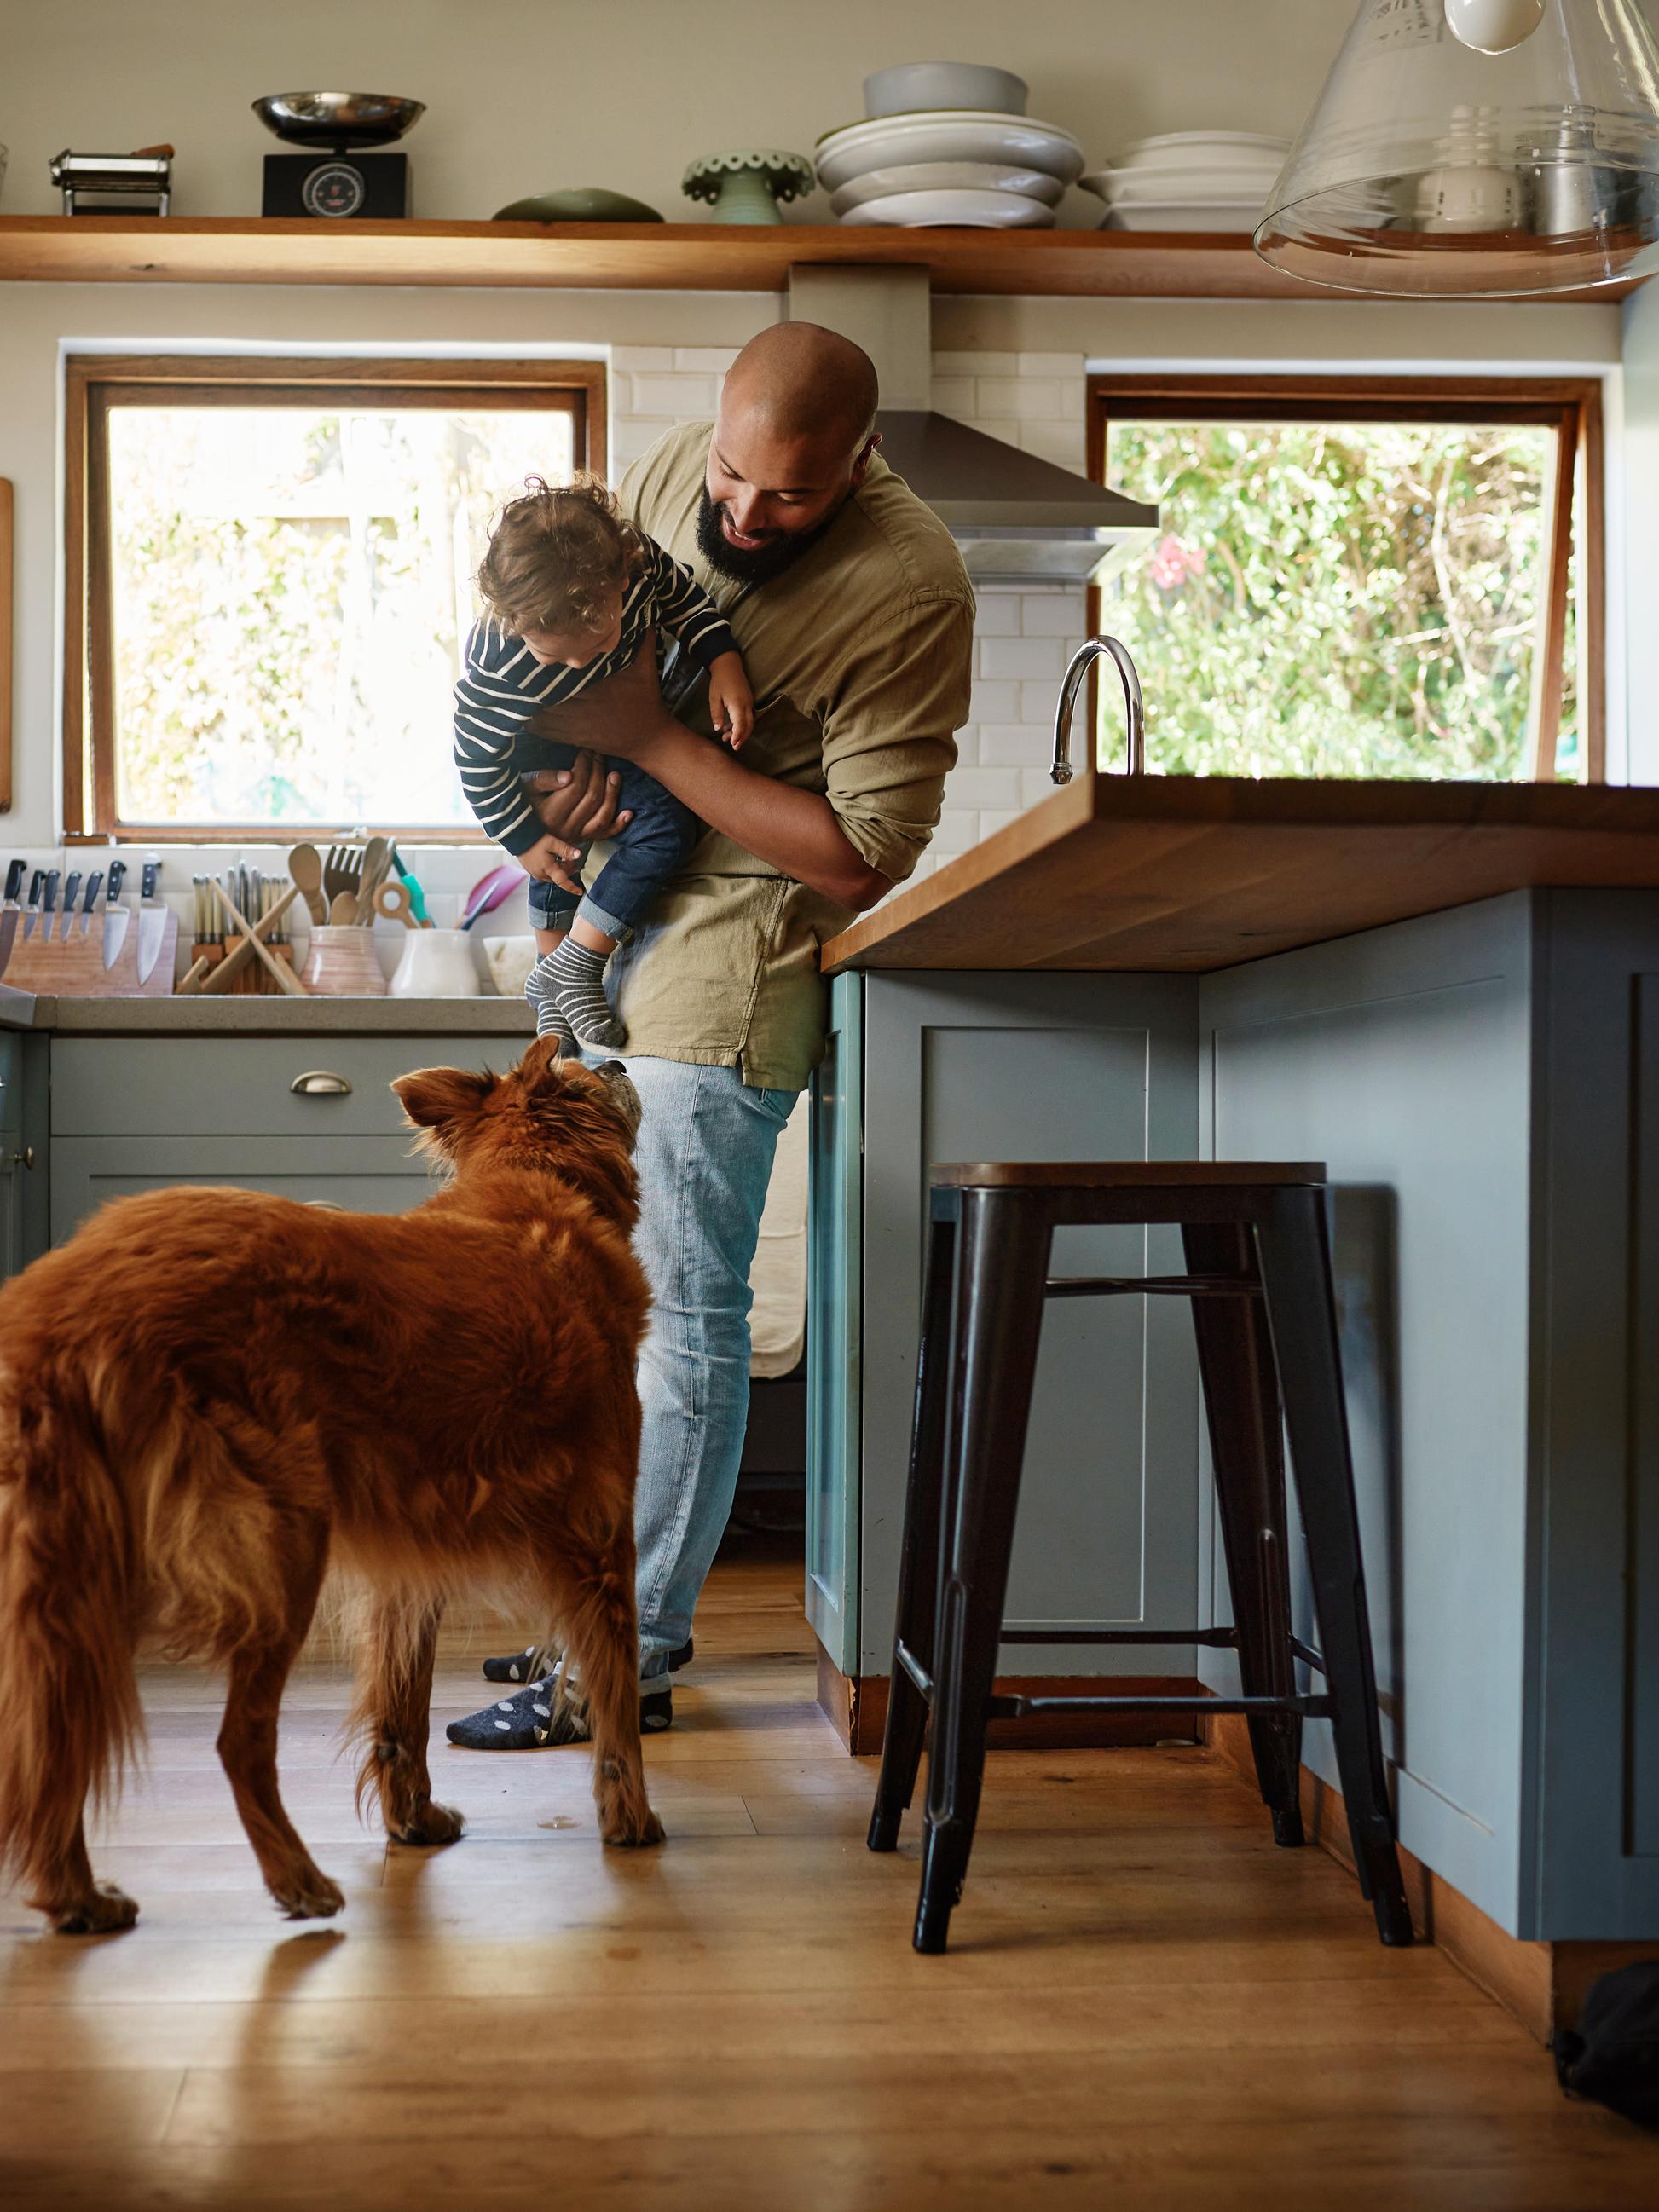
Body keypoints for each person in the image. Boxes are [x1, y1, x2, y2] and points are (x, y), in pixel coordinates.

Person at [446, 321, 974, 1750]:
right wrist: (556, 803)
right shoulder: (683, 470)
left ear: (859, 460)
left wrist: (652, 741)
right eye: (732, 480)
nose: (741, 515)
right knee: (603, 1316)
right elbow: (563, 675)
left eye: (787, 499)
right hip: (621, 925)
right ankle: (599, 1622)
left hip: (728, 965)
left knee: (685, 1320)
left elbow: (862, 855)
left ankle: (637, 1657)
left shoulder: (912, 586)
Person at [453, 474, 754, 1050]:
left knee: (668, 829)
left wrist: (723, 660)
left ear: (623, 576)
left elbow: (687, 603)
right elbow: (473, 756)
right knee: (555, 850)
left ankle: (573, 964)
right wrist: (521, 839)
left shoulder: (639, 568)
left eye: (595, 644)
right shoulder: (500, 663)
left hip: (620, 734)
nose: (573, 668)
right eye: (552, 655)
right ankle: (553, 982)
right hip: (534, 751)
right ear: (515, 623)